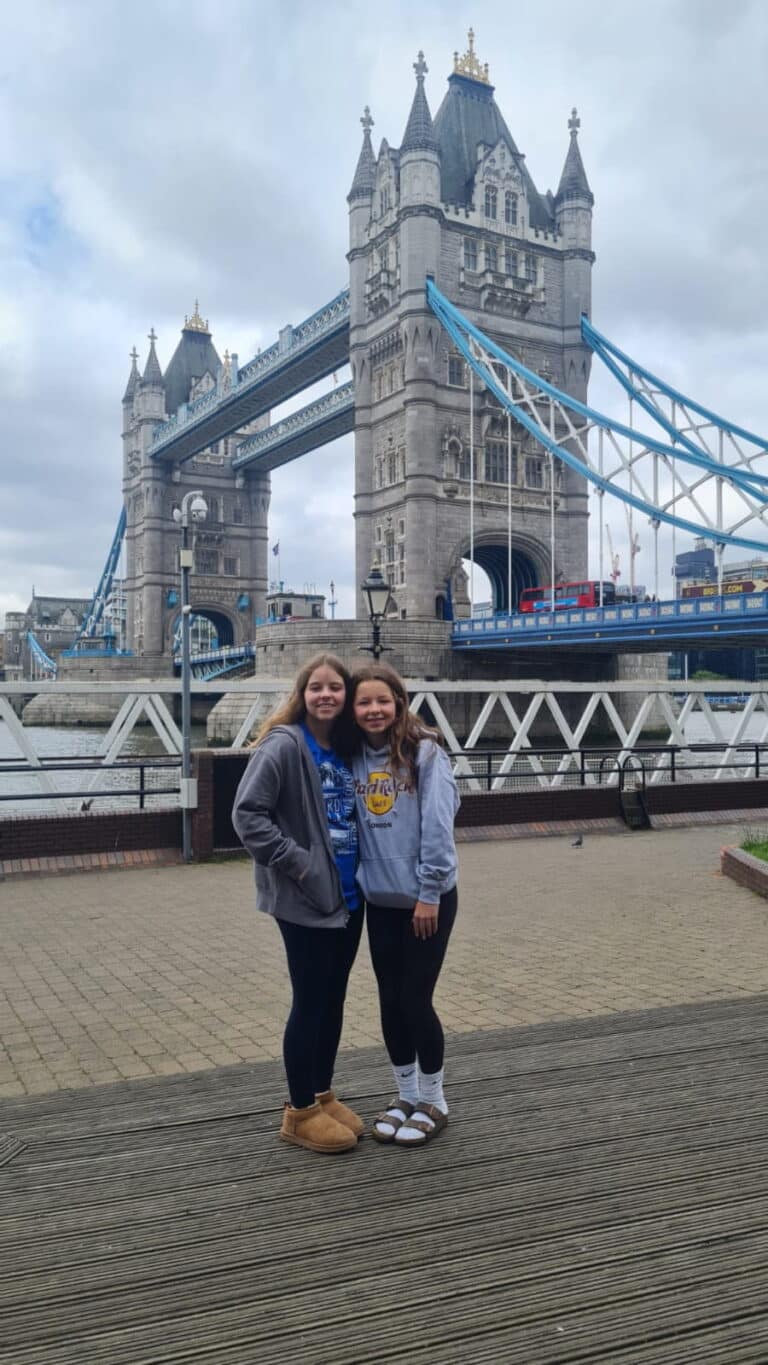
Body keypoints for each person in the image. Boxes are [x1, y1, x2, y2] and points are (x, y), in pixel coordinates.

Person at [232, 654, 364, 1155]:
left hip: (350, 897)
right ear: (302, 694)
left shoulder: (347, 748)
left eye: (335, 688)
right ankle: (299, 1110)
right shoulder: (284, 745)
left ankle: (323, 1095)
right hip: (305, 897)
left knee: (333, 1000)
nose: (326, 696)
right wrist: (299, 863)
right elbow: (248, 816)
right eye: (317, 688)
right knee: (309, 1002)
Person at [350, 663, 460, 1147]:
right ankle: (405, 1095)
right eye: (363, 702)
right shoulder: (349, 757)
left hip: (425, 901)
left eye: (382, 700)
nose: (374, 710)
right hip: (380, 900)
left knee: (416, 999)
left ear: (399, 701)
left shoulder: (425, 752)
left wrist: (429, 892)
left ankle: (435, 1099)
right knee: (390, 1002)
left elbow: (438, 823)